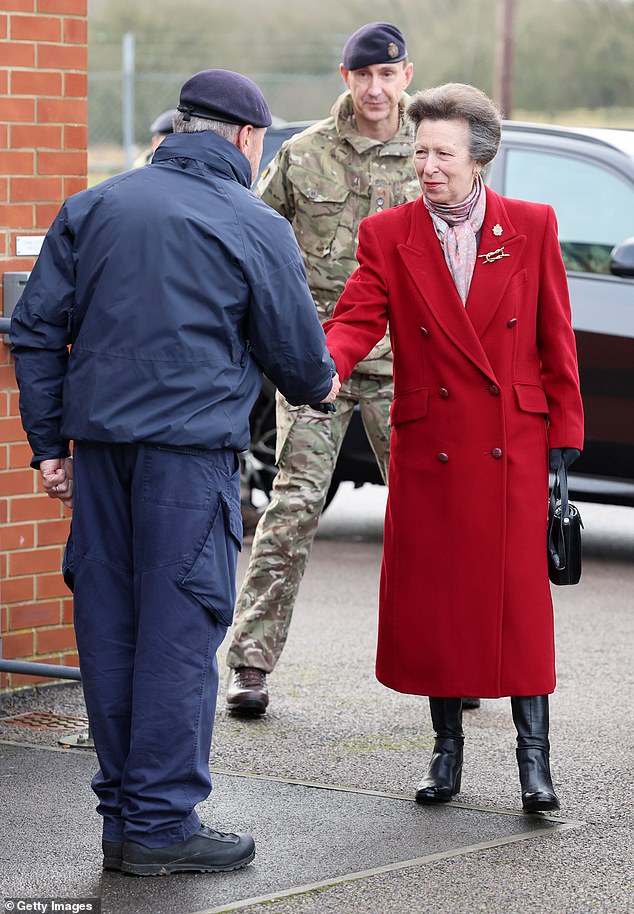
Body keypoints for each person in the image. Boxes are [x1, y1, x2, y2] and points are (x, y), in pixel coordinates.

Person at [10, 68, 338, 875]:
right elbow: (300, 360)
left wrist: (50, 445)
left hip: (99, 464)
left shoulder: (94, 206)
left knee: (110, 631)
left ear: (180, 128)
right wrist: (323, 385)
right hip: (187, 467)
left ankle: (125, 818)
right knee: (178, 636)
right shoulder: (252, 222)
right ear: (247, 138)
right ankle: (159, 826)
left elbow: (33, 332)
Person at [322, 83, 584, 812]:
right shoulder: (389, 234)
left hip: (512, 446)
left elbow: (554, 340)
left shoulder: (532, 226)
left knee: (519, 608)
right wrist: (323, 368)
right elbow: (355, 319)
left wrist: (563, 440)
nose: (425, 165)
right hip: (432, 443)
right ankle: (447, 754)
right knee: (440, 604)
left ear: (480, 161)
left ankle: (536, 763)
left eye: (441, 152)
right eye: (419, 150)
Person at [225, 21, 421, 716]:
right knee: (294, 506)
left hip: (408, 364)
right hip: (318, 363)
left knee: (430, 510)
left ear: (405, 76)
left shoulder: (429, 153)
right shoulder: (303, 155)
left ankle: (448, 657)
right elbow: (251, 238)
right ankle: (249, 664)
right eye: (363, 75)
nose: (375, 88)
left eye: (388, 75)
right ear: (347, 77)